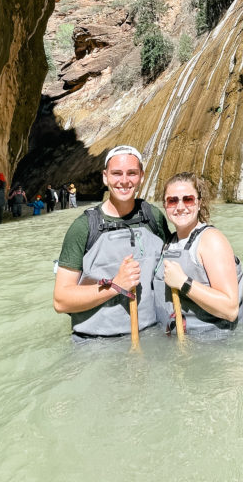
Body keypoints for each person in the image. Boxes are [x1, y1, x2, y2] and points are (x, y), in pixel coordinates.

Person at [52, 145, 169, 340]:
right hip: (96, 344)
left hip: (151, 338)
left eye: (131, 173)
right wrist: (116, 285)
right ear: (105, 177)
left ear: (141, 176)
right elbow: (61, 301)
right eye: (116, 173)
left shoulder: (153, 217)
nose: (124, 181)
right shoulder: (83, 228)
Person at [153, 172, 243, 338]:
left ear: (199, 202)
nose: (180, 207)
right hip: (182, 347)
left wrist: (184, 283)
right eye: (172, 200)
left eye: (188, 199)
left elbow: (230, 309)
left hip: (216, 346)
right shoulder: (170, 242)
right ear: (165, 205)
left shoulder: (211, 240)